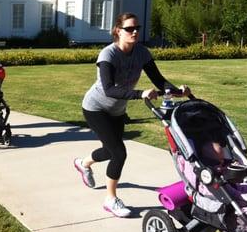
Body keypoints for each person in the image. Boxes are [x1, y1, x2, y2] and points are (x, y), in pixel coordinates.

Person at [74, 12, 191, 218]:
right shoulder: (108, 55)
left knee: (110, 152)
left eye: (137, 28)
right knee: (119, 153)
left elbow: (159, 80)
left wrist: (179, 91)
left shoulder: (142, 53)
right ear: (118, 31)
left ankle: (83, 163)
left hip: (117, 111)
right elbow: (109, 89)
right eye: (129, 29)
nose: (135, 31)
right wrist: (140, 94)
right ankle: (110, 200)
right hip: (95, 108)